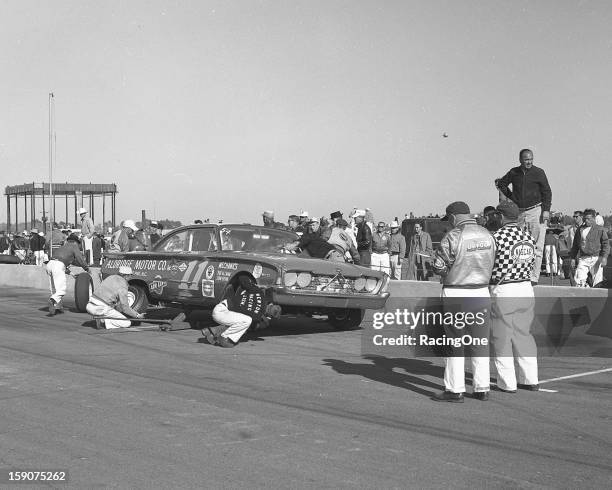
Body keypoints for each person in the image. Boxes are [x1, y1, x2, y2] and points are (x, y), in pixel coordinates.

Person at [431, 201, 495, 403]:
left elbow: (439, 266)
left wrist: (443, 272)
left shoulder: (453, 235)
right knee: (479, 341)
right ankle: (482, 387)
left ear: (452, 218)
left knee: (454, 342)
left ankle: (455, 389)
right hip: (482, 291)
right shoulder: (487, 234)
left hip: (456, 292)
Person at [489, 200, 539, 392]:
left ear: (500, 216)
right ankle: (530, 378)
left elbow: (490, 264)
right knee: (524, 335)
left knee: (502, 336)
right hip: (526, 288)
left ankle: (507, 382)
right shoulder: (527, 236)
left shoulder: (497, 237)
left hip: (504, 289)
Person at [496, 149, 552, 284]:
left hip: (536, 211)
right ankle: (521, 274)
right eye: (526, 159)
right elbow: (501, 183)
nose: (529, 162)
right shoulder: (513, 172)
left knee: (537, 246)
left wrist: (546, 210)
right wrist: (512, 197)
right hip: (520, 212)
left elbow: (547, 192)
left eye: (531, 159)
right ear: (520, 160)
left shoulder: (539, 172)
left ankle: (534, 277)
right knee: (520, 244)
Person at [201, 275, 279, 347]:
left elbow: (242, 277)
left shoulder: (257, 291)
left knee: (239, 321)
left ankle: (212, 331)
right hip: (222, 313)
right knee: (246, 322)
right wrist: (264, 323)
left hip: (221, 307)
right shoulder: (257, 317)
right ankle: (224, 338)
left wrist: (254, 285)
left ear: (270, 304)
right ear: (268, 316)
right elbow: (252, 327)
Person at [46, 234, 90, 315]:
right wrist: (86, 268)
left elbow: (64, 262)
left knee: (54, 289)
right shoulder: (74, 246)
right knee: (62, 290)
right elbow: (79, 258)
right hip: (57, 265)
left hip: (50, 264)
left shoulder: (63, 247)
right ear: (76, 242)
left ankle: (57, 307)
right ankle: (52, 300)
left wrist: (72, 274)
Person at [569, 209, 610, 287]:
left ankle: (597, 298)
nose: (586, 220)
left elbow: (606, 244)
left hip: (596, 258)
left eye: (588, 219)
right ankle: (581, 296)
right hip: (583, 258)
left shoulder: (600, 229)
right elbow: (575, 245)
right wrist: (573, 258)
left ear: (594, 219)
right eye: (585, 218)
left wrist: (604, 257)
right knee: (579, 279)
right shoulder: (580, 229)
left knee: (597, 282)